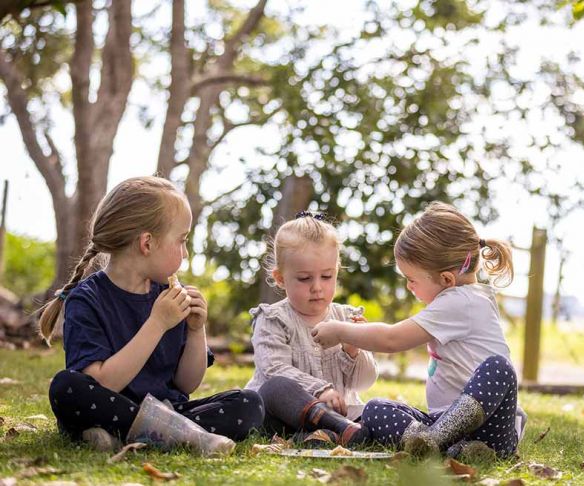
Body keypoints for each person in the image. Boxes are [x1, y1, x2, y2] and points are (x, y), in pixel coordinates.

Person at [41, 176, 263, 456]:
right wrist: (157, 323)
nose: (185, 252)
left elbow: (186, 384)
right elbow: (103, 383)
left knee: (249, 403)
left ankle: (128, 437)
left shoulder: (169, 294)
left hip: (169, 408)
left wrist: (196, 330)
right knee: (66, 388)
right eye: (181, 240)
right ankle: (187, 435)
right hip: (111, 406)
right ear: (147, 243)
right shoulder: (87, 299)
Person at [312, 202, 527, 459]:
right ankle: (446, 448)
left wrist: (340, 331)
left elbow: (392, 339)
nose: (409, 286)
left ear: (447, 279)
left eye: (412, 279)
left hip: (492, 430)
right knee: (374, 409)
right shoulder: (470, 297)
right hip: (447, 422)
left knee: (498, 368)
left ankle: (435, 441)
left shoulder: (460, 301)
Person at [245, 211, 377, 448]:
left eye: (327, 276)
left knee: (376, 410)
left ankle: (326, 433)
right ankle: (333, 429)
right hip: (283, 416)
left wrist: (353, 350)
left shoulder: (346, 318)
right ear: (280, 278)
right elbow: (273, 368)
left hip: (342, 414)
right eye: (305, 278)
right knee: (274, 389)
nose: (317, 287)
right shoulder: (273, 318)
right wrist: (320, 390)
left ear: (336, 271)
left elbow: (364, 383)